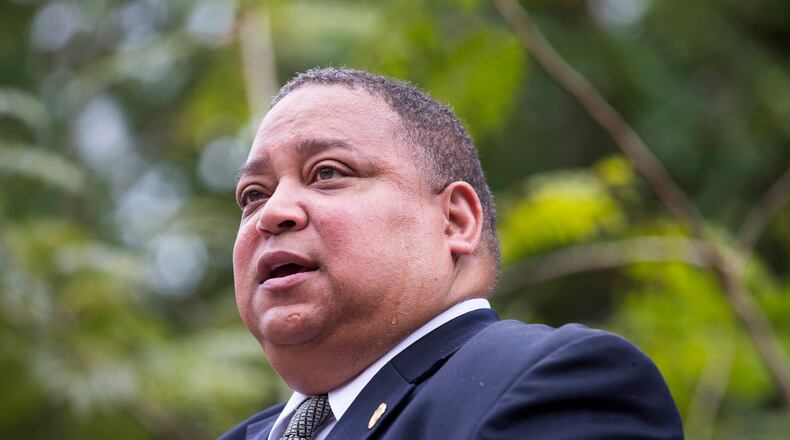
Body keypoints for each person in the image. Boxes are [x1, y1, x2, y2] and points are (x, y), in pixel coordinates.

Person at [220, 67, 683, 440]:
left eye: (327, 173)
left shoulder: (559, 383)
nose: (272, 213)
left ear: (455, 221)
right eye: (253, 195)